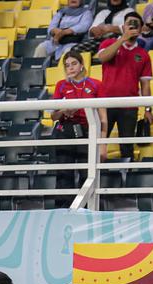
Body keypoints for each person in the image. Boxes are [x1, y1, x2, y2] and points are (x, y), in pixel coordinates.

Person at [96, 12, 153, 160]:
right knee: (99, 143)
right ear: (123, 26)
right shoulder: (108, 43)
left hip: (129, 106)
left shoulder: (143, 54)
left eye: (136, 25)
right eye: (129, 23)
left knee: (127, 146)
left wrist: (148, 109)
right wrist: (122, 39)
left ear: (140, 30)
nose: (132, 27)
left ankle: (127, 179)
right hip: (105, 104)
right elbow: (102, 58)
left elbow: (145, 85)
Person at [51, 52, 108, 189]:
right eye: (67, 65)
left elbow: (103, 117)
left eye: (74, 64)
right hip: (65, 130)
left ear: (82, 65)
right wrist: (64, 110)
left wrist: (103, 144)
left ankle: (87, 209)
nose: (70, 68)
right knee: (64, 173)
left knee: (86, 173)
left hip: (88, 131)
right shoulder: (61, 85)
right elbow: (53, 116)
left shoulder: (96, 84)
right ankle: (63, 208)